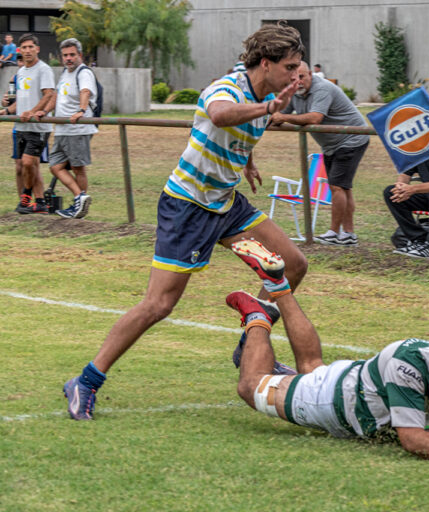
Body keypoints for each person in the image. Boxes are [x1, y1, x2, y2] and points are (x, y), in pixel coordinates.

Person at [62, 22, 309, 420]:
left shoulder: (270, 94)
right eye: (291, 66)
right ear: (266, 64)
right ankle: (86, 381)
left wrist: (246, 161)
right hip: (187, 206)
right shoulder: (227, 89)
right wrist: (268, 109)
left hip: (226, 203)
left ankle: (250, 345)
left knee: (293, 264)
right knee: (158, 304)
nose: (296, 75)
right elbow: (221, 114)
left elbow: (237, 133)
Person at [224, 240, 429, 466]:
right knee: (250, 386)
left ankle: (278, 285)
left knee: (312, 366)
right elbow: (412, 439)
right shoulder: (408, 364)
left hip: (353, 380)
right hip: (328, 402)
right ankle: (257, 316)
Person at [270, 61, 369, 246]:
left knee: (337, 186)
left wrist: (283, 117)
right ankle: (348, 234)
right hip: (332, 144)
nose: (298, 81)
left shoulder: (322, 89)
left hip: (352, 138)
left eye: (302, 77)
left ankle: (333, 233)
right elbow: (279, 114)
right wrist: (270, 118)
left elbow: (315, 118)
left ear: (311, 74)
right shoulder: (295, 92)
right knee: (344, 187)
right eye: (293, 78)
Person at [0, 34, 54, 214]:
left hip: (38, 126)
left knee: (28, 162)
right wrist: (7, 110)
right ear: (20, 50)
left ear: (37, 49)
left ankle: (26, 196)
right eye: (24, 48)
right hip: (21, 126)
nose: (28, 50)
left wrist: (32, 112)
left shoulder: (44, 69)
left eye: (31, 47)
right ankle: (38, 202)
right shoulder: (21, 72)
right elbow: (20, 100)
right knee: (26, 165)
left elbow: (48, 94)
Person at [45, 38, 97, 219]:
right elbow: (56, 96)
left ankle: (79, 206)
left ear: (79, 55)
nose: (68, 58)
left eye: (72, 55)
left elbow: (85, 92)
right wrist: (44, 111)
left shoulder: (84, 72)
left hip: (77, 129)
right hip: (62, 129)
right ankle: (80, 197)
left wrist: (81, 110)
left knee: (77, 167)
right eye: (65, 55)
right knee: (55, 165)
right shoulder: (65, 73)